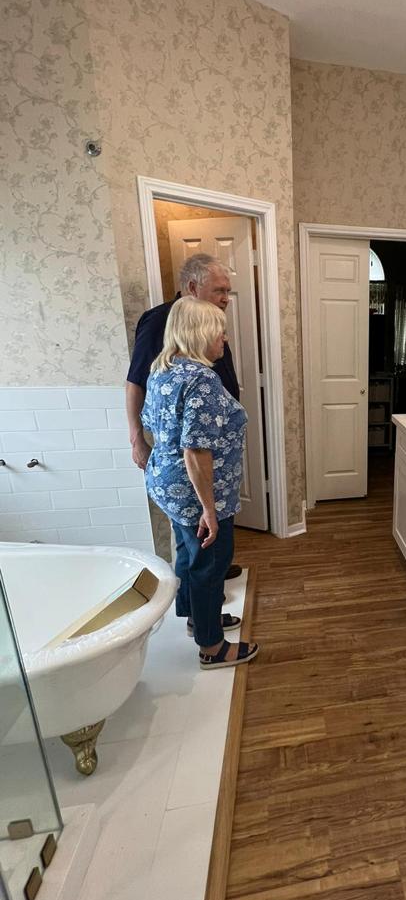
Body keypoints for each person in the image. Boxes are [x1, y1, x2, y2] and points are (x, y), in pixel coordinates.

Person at [142, 298, 258, 670]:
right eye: (219, 331)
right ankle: (212, 646)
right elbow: (195, 450)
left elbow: (152, 424)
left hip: (168, 485)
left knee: (189, 553)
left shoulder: (162, 369)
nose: (225, 338)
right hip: (199, 494)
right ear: (200, 332)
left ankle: (197, 617)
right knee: (210, 563)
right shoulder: (201, 379)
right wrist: (209, 509)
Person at [126, 253, 242, 579]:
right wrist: (137, 440)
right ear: (192, 287)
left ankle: (199, 590)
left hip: (195, 462)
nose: (226, 298)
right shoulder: (161, 322)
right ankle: (205, 600)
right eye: (219, 290)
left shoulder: (207, 324)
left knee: (195, 548)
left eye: (228, 291)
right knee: (203, 554)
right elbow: (135, 382)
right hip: (190, 469)